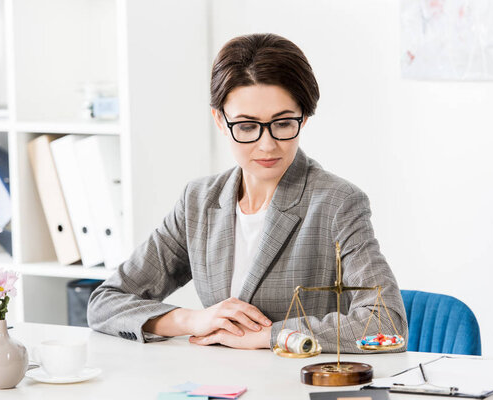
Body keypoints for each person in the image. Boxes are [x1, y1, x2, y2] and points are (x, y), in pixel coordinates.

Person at [87, 33, 408, 353]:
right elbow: (105, 302)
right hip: (218, 383)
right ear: (220, 120)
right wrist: (191, 320)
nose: (266, 145)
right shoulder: (198, 201)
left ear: (304, 118)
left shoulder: (337, 203)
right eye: (246, 126)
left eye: (283, 124)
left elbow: (386, 325)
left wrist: (272, 336)